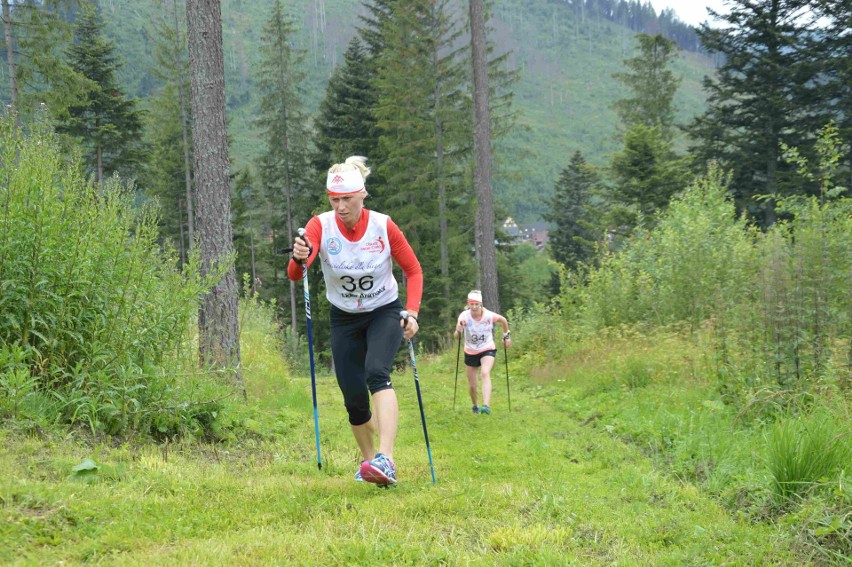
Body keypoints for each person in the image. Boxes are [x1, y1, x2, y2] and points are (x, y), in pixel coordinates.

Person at [288, 156, 422, 487]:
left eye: (347, 199)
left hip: (383, 310)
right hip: (343, 317)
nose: (341, 206)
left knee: (377, 372)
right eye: (335, 200)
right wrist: (299, 256)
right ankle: (369, 463)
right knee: (352, 395)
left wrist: (413, 312)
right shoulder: (321, 225)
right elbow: (296, 274)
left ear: (362, 195)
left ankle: (387, 460)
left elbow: (413, 270)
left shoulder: (383, 225)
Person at [454, 290, 510, 415]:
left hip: (487, 348)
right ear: (468, 304)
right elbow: (456, 337)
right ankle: (475, 405)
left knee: (485, 373)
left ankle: (486, 406)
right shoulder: (464, 316)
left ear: (481, 304)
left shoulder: (489, 315)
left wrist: (506, 336)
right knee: (472, 385)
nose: (474, 307)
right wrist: (458, 331)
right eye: (472, 304)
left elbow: (503, 320)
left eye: (477, 304)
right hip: (470, 351)